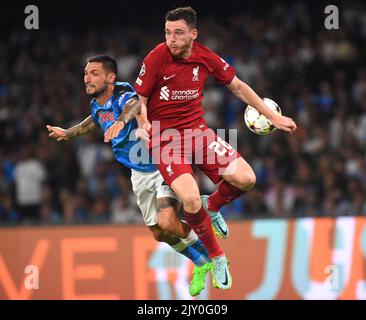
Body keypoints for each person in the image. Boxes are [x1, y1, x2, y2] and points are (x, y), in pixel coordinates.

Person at [133, 7, 297, 290]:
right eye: (167, 33)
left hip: (198, 134)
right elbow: (140, 98)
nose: (171, 39)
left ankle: (214, 205)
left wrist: (273, 116)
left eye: (178, 33)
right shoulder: (157, 56)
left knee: (247, 178)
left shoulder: (205, 57)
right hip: (165, 141)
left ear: (193, 34)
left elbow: (237, 87)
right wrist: (143, 123)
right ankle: (217, 255)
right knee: (190, 200)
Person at [46, 55, 215, 296]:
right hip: (139, 172)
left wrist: (122, 121)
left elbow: (134, 105)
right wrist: (68, 133)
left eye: (94, 73)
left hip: (163, 161)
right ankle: (201, 250)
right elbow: (94, 122)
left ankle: (208, 257)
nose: (87, 78)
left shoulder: (124, 94)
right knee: (159, 233)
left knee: (168, 221)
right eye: (85, 73)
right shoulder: (97, 105)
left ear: (111, 77)